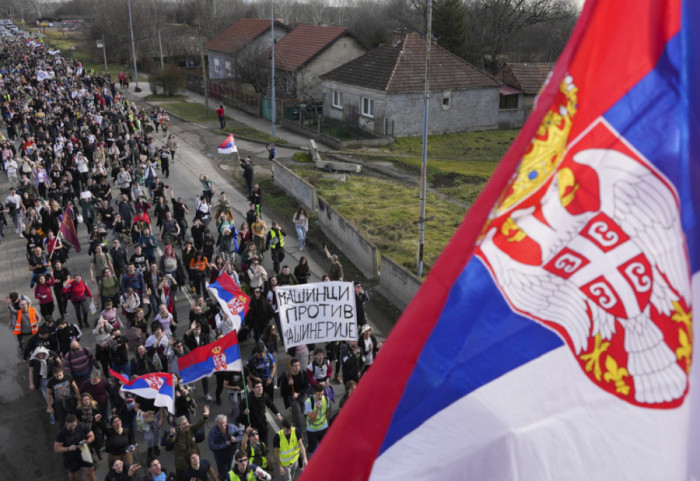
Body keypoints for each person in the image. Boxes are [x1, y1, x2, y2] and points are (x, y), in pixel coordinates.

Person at [167, 405, 211, 480]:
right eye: (184, 424)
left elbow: (198, 425)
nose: (186, 425)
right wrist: (171, 434)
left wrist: (205, 417)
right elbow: (170, 440)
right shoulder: (176, 434)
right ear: (179, 426)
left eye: (187, 422)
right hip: (182, 465)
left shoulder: (190, 428)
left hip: (194, 462)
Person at [53, 414, 97, 481]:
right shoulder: (62, 433)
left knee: (90, 472)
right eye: (71, 426)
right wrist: (68, 448)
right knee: (73, 475)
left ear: (76, 421)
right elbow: (56, 449)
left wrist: (87, 442)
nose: (73, 427)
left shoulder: (82, 426)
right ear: (66, 423)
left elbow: (92, 436)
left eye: (74, 425)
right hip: (71, 457)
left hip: (84, 452)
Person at [240, 381, 283, 446]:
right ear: (253, 389)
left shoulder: (265, 396)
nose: (260, 388)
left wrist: (277, 413)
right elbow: (240, 412)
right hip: (252, 426)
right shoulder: (247, 399)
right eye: (257, 387)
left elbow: (271, 405)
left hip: (262, 424)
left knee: (264, 445)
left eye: (261, 386)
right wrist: (244, 412)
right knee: (252, 445)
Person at [280, 358, 309, 440]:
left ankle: (293, 414)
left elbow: (306, 386)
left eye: (299, 365)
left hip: (301, 396)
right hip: (292, 398)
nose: (298, 367)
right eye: (295, 366)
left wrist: (298, 394)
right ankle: (299, 433)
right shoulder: (286, 376)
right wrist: (289, 385)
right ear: (291, 367)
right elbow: (282, 391)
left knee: (302, 411)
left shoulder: (303, 373)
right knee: (298, 415)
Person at [209, 414, 244, 480]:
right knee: (223, 474)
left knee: (231, 470)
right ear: (216, 423)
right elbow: (212, 446)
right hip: (221, 458)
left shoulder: (232, 427)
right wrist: (224, 444)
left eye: (224, 423)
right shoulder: (213, 432)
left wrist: (236, 439)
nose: (222, 426)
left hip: (232, 455)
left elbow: (240, 434)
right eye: (220, 424)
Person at [304, 384, 329, 455]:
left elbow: (327, 412)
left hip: (323, 427)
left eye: (322, 394)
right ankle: (308, 449)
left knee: (325, 447)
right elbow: (312, 419)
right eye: (318, 395)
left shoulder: (325, 399)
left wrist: (327, 424)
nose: (320, 396)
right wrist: (317, 408)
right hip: (312, 429)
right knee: (313, 450)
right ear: (314, 393)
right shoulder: (308, 402)